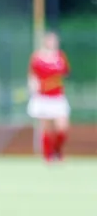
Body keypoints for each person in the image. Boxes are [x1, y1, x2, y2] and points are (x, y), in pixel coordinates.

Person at [27, 31, 70, 162]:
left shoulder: (60, 57)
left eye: (55, 40)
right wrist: (33, 85)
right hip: (43, 98)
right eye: (50, 40)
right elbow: (32, 76)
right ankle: (48, 155)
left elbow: (66, 73)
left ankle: (58, 150)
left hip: (57, 97)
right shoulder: (37, 57)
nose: (53, 43)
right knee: (46, 128)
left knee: (62, 128)